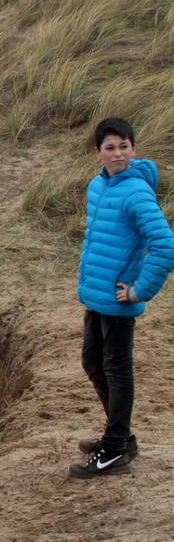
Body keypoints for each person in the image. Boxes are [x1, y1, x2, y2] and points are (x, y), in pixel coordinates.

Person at [71, 117, 174, 478]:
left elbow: (165, 245)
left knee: (117, 370)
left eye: (124, 146)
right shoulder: (98, 187)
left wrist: (139, 290)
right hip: (96, 295)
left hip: (118, 301)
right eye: (110, 147)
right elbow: (95, 238)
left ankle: (114, 449)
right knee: (92, 362)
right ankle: (121, 438)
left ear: (134, 148)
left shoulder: (136, 192)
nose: (118, 154)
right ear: (97, 152)